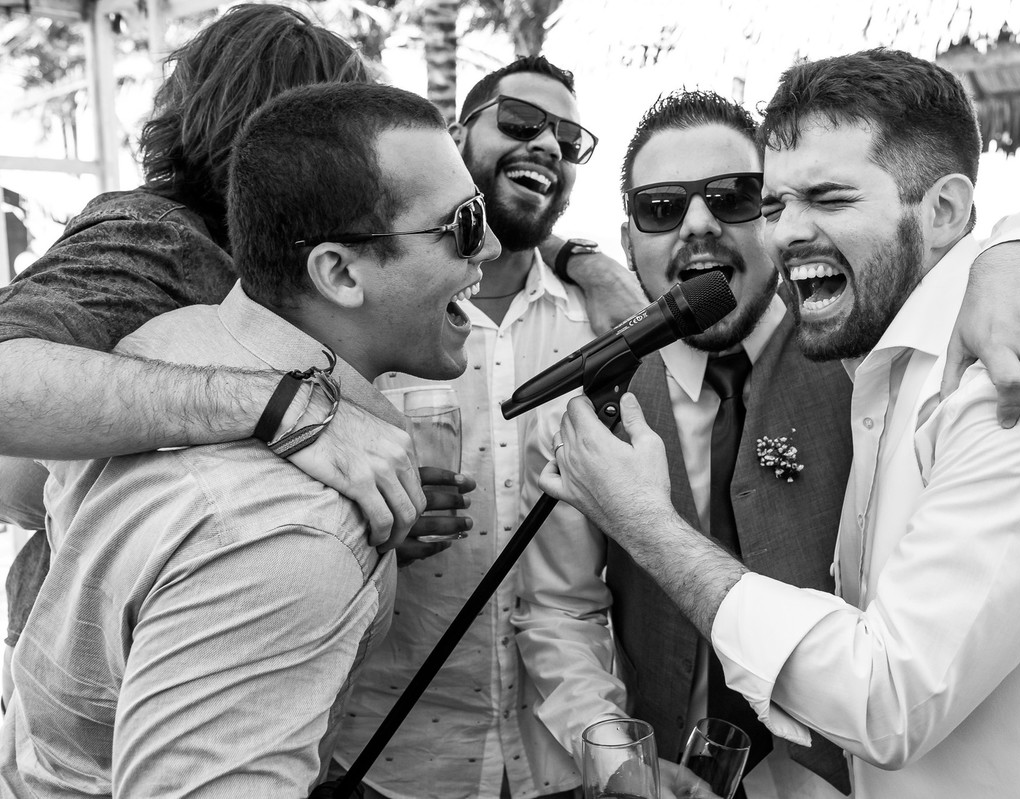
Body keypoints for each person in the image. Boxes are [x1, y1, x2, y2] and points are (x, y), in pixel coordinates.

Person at [540, 50, 1020, 797]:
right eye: (779, 204)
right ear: (627, 237)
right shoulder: (874, 364)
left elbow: (887, 696)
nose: (785, 232)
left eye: (741, 198)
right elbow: (560, 608)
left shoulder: (1019, 372)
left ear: (946, 211)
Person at [0, 4, 636, 705]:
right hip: (99, 687)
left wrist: (578, 256)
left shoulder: (283, 261)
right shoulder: (155, 235)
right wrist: (286, 409)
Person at [0, 80, 501, 797]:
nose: (493, 243)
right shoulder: (293, 538)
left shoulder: (162, 342)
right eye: (463, 224)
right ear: (336, 270)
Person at [330, 56, 599, 799]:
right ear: (455, 138)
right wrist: (378, 545)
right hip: (390, 759)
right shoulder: (372, 316)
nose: (547, 144)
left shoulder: (595, 324)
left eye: (569, 140)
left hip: (558, 756)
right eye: (520, 123)